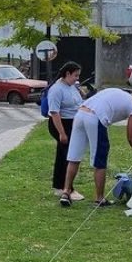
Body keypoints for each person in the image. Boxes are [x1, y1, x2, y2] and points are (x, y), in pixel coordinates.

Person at [60, 86, 132, 207]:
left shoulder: (118, 91)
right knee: (100, 158)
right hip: (96, 118)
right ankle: (100, 198)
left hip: (80, 114)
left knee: (74, 156)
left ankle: (66, 192)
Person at [46, 62, 85, 199]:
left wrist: (81, 92)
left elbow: (78, 103)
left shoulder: (72, 86)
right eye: (75, 75)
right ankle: (68, 189)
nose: (77, 78)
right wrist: (62, 133)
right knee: (69, 155)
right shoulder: (57, 89)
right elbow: (54, 112)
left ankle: (58, 185)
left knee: (62, 155)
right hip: (60, 124)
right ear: (67, 74)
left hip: (72, 123)